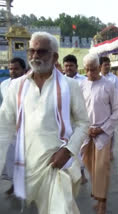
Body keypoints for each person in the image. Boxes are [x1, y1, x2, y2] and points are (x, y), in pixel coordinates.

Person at [0, 32, 89, 214]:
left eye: (41, 52)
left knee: (62, 210)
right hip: (27, 167)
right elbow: (3, 127)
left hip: (58, 166)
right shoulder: (16, 87)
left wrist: (68, 150)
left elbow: (83, 123)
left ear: (54, 56)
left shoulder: (69, 86)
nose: (34, 56)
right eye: (31, 51)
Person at [80, 53, 118, 214]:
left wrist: (102, 128)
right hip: (87, 133)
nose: (90, 73)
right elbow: (78, 110)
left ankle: (102, 202)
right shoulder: (81, 85)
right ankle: (98, 195)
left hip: (103, 133)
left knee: (102, 168)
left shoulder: (108, 85)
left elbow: (117, 111)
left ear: (98, 68)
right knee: (91, 166)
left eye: (93, 70)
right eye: (87, 70)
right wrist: (86, 128)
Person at [0, 57, 26, 195]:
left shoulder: (30, 84)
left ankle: (28, 187)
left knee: (26, 159)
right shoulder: (4, 85)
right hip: (10, 127)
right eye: (10, 69)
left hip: (26, 127)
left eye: (16, 69)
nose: (13, 71)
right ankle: (14, 184)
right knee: (10, 157)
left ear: (23, 70)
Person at [63, 54, 88, 184]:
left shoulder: (84, 80)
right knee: (66, 148)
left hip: (80, 120)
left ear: (76, 67)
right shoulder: (59, 82)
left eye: (71, 65)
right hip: (65, 121)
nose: (68, 68)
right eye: (66, 65)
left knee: (79, 148)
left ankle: (82, 174)